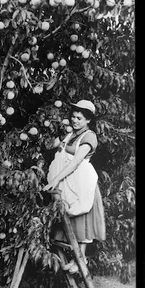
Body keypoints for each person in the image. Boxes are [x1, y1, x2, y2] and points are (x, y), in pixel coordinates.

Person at [43, 100, 106, 274]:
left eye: (79, 118)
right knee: (69, 218)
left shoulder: (89, 137)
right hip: (68, 181)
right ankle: (76, 259)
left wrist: (55, 179)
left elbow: (76, 162)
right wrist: (51, 128)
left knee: (81, 218)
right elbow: (57, 148)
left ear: (88, 120)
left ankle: (81, 258)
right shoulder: (70, 134)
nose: (75, 120)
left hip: (82, 182)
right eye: (73, 116)